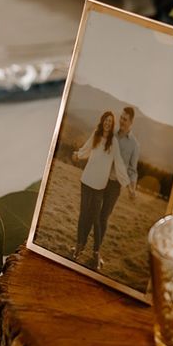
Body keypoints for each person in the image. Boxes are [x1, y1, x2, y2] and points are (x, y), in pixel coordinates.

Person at [70, 111, 129, 268]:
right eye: (106, 120)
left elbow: (119, 163)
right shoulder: (95, 135)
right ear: (102, 121)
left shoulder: (113, 142)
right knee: (83, 215)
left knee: (96, 219)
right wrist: (78, 155)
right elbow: (86, 149)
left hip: (99, 186)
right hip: (87, 181)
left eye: (111, 121)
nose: (108, 123)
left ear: (112, 124)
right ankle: (79, 246)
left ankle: (95, 252)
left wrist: (126, 182)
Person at [97, 106, 139, 266]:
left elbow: (132, 170)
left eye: (125, 119)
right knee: (92, 213)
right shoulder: (110, 134)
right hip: (99, 179)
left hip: (114, 185)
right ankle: (80, 246)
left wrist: (132, 188)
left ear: (131, 122)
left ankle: (96, 252)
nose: (122, 121)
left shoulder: (134, 145)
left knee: (103, 217)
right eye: (121, 117)